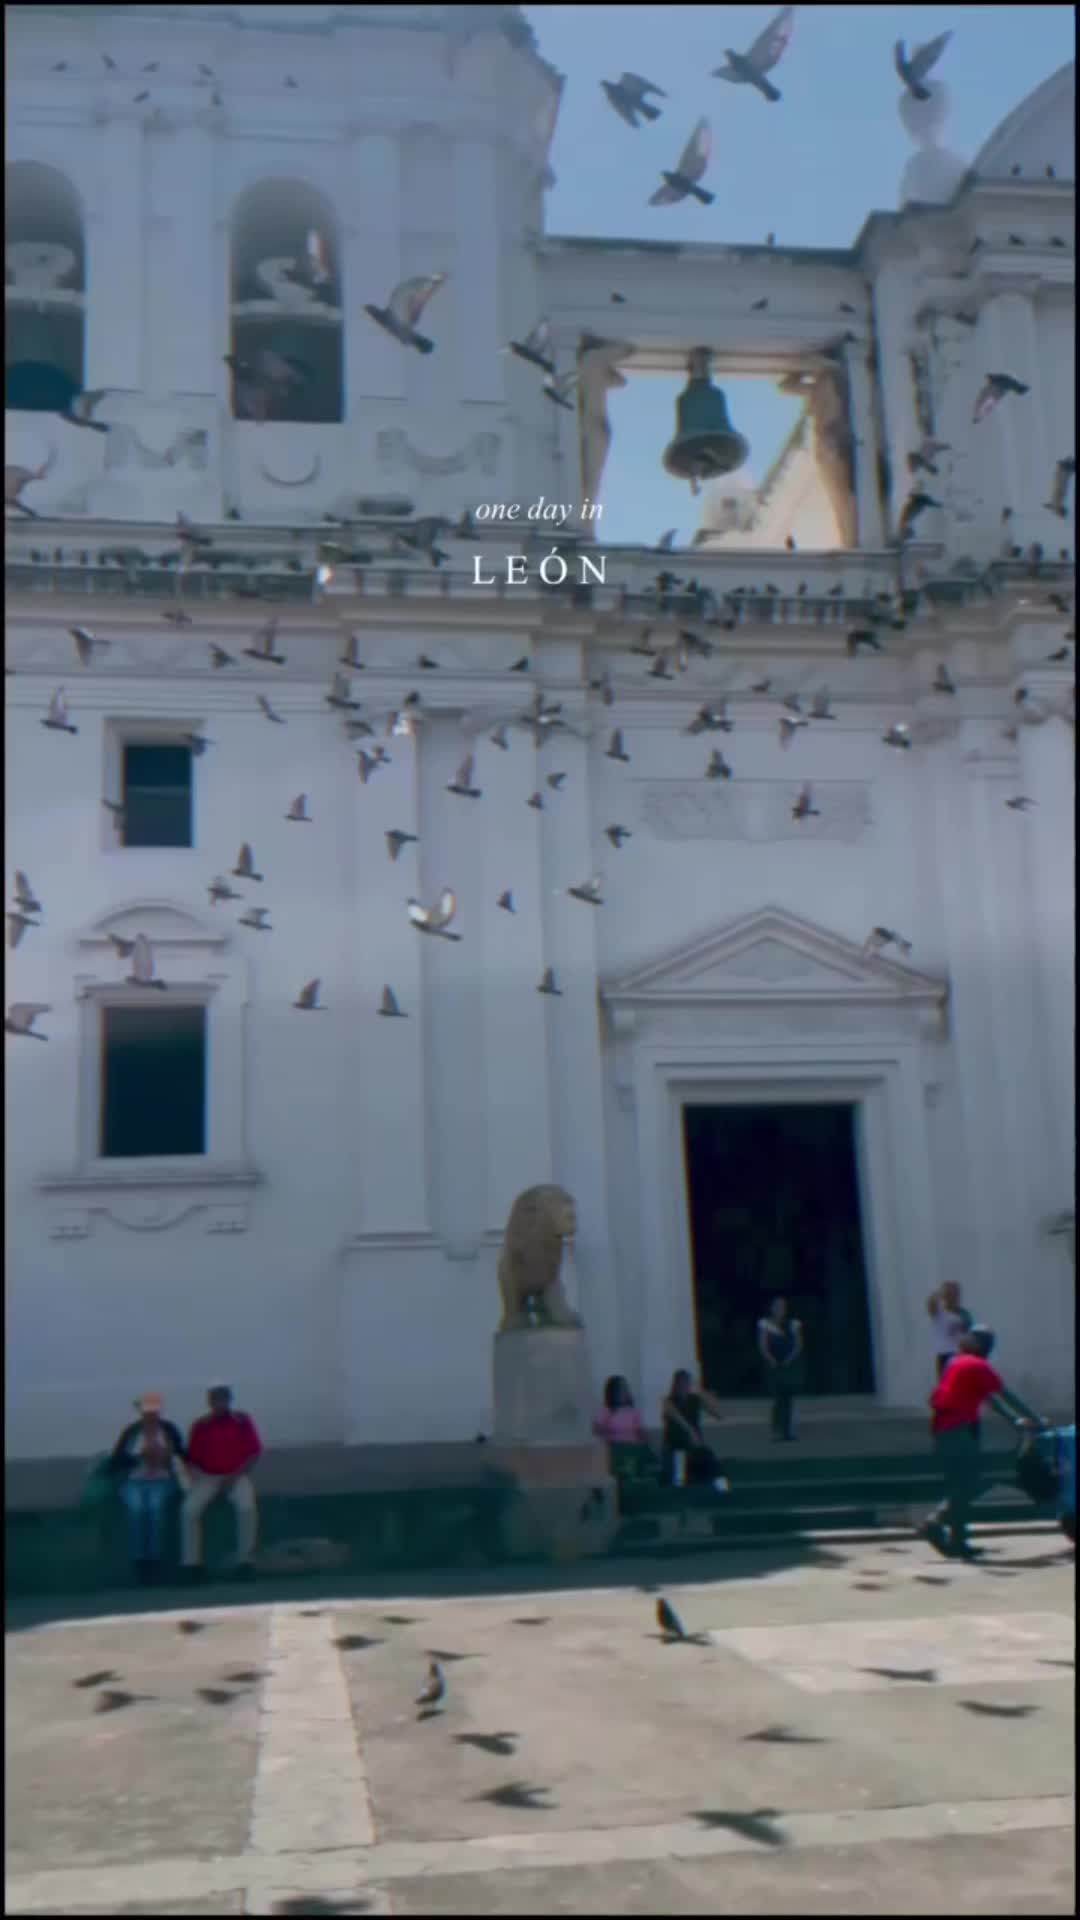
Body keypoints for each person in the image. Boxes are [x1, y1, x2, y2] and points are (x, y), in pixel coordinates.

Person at [921, 1326, 1035, 1560]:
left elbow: (989, 1399)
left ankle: (958, 1541)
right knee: (971, 1482)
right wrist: (1035, 1419)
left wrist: (1015, 1420)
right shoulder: (977, 1366)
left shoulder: (955, 1362)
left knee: (959, 1483)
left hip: (944, 1429)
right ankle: (935, 1521)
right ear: (986, 1347)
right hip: (960, 1430)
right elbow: (1005, 1395)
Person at [181, 1385, 262, 1580]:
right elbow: (191, 1458)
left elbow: (253, 1453)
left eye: (222, 1400)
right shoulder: (200, 1426)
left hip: (236, 1475)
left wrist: (235, 1476)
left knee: (247, 1508)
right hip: (208, 1477)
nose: (219, 1405)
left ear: (229, 1401)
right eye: (215, 1401)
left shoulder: (242, 1421)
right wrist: (198, 1479)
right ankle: (191, 1565)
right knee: (188, 1510)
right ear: (210, 1403)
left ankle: (245, 1562)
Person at [108, 1393, 190, 1581]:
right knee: (137, 1508)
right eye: (147, 1412)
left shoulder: (168, 1430)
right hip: (135, 1481)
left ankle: (154, 1559)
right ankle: (139, 1560)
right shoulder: (132, 1432)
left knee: (154, 1507)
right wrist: (139, 1457)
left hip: (162, 1480)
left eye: (154, 1412)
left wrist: (166, 1455)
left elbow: (183, 1456)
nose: (150, 1416)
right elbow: (116, 1461)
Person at [660, 1370, 729, 1491]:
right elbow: (678, 1419)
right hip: (675, 1445)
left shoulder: (695, 1399)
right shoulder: (668, 1401)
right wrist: (691, 1432)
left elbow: (719, 1415)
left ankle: (722, 1486)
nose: (684, 1387)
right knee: (680, 1451)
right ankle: (679, 1481)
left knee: (708, 1456)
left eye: (687, 1383)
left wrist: (704, 1394)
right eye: (682, 1383)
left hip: (694, 1446)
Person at [593, 1376, 659, 1485]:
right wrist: (612, 1433)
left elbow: (641, 1432)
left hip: (631, 1449)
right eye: (620, 1389)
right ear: (613, 1392)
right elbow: (596, 1429)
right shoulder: (606, 1411)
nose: (624, 1392)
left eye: (625, 1389)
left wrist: (646, 1439)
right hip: (614, 1450)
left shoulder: (633, 1412)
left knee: (640, 1459)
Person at [757, 1296, 804, 1441]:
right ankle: (777, 1430)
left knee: (789, 1398)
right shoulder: (765, 1324)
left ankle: (789, 1431)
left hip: (789, 1365)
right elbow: (763, 1345)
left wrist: (789, 1359)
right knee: (778, 1398)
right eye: (777, 1306)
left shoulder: (793, 1324)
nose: (780, 1309)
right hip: (774, 1366)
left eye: (782, 1307)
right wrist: (771, 1359)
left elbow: (798, 1344)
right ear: (772, 1308)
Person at [926, 1282, 973, 1381]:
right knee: (946, 1386)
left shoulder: (964, 1313)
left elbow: (968, 1328)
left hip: (961, 1355)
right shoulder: (939, 1313)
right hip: (944, 1356)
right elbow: (931, 1303)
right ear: (945, 1297)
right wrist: (939, 1293)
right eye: (950, 1294)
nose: (954, 1298)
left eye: (956, 1294)